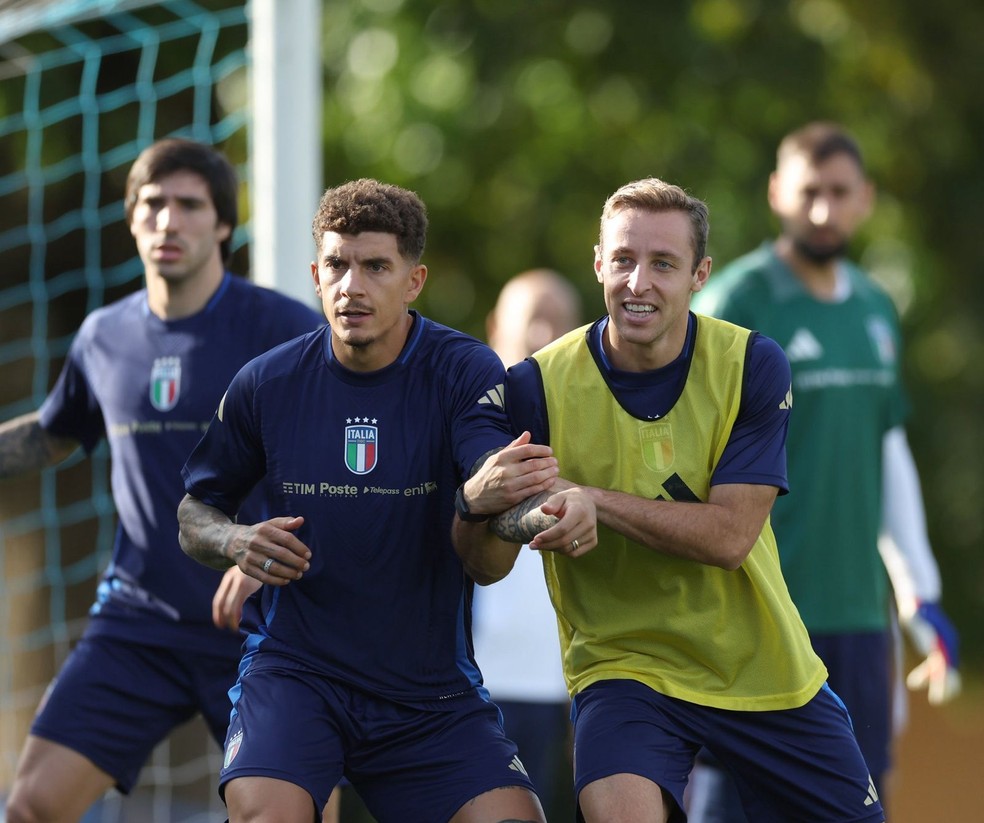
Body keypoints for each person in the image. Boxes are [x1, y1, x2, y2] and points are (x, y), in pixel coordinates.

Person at [175, 178, 596, 823]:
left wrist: (498, 499)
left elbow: (490, 469)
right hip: (298, 674)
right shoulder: (268, 381)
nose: (353, 286)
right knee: (264, 811)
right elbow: (194, 512)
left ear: (414, 280)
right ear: (317, 274)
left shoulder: (464, 369)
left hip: (428, 689)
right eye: (339, 266)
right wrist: (235, 540)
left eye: (376, 267)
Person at [492, 176, 885, 822]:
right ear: (598, 263)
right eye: (622, 259)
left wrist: (593, 500)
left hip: (761, 667)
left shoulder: (752, 364)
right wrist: (520, 509)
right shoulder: (535, 385)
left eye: (663, 263)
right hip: (623, 665)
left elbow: (730, 538)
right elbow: (482, 520)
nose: (638, 282)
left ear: (700, 273)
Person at [0, 138, 325, 823]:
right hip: (136, 622)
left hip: (262, 627)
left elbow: (335, 461)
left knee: (291, 815)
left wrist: (272, 549)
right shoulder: (102, 336)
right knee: (30, 806)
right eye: (153, 204)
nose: (168, 221)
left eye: (189, 205)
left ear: (223, 226)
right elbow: (55, 436)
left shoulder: (283, 330)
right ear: (131, 219)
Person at [687, 122, 960, 821]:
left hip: (859, 619)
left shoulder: (874, 307)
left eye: (839, 193)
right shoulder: (736, 304)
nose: (822, 210)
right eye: (808, 192)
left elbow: (885, 446)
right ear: (777, 192)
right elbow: (688, 457)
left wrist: (916, 592)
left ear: (864, 199)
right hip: (759, 617)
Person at [471, 268, 582, 821]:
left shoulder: (599, 430)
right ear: (494, 327)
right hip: (477, 689)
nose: (540, 333)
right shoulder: (459, 428)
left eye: (556, 321)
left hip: (577, 691)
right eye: (527, 317)